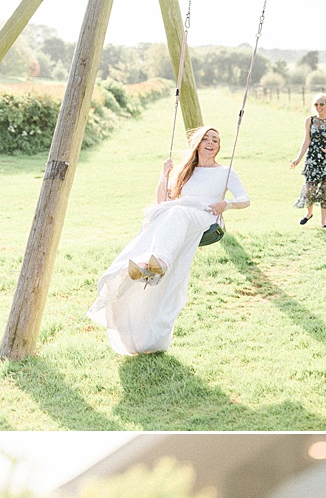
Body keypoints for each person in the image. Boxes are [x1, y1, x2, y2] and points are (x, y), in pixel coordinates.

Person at [86, 125, 249, 356]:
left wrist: (227, 204)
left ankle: (159, 263)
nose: (211, 143)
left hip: (206, 217)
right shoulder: (186, 172)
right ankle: (149, 271)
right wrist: (164, 174)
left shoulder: (226, 172)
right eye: (206, 139)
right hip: (180, 215)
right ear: (198, 144)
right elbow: (163, 200)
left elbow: (245, 198)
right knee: (167, 214)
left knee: (175, 213)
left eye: (215, 140)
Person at [291, 94, 326, 228]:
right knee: (310, 188)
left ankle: (323, 222)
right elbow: (306, 140)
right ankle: (309, 213)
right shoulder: (310, 120)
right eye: (316, 104)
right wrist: (298, 158)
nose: (319, 107)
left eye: (322, 104)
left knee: (325, 189)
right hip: (312, 157)